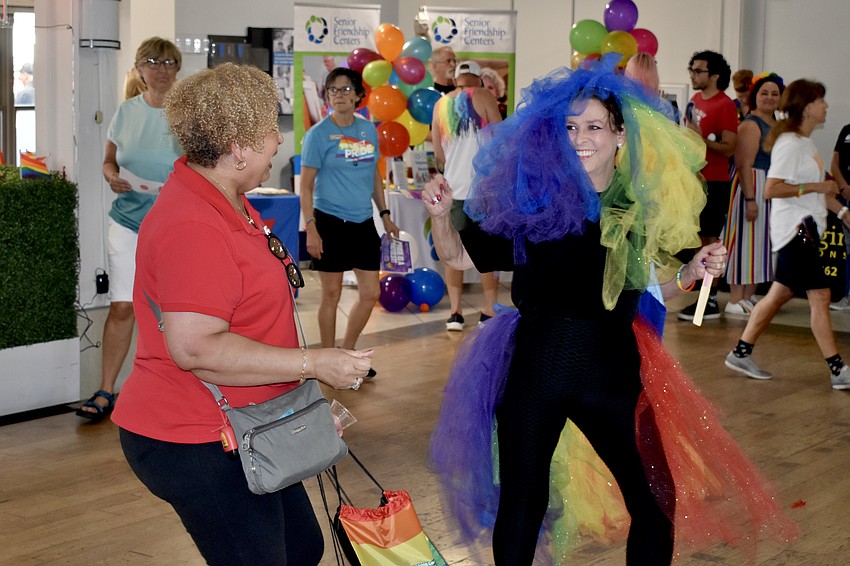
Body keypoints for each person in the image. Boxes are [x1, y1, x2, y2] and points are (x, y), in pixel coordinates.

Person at [426, 55, 796, 565]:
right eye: (571, 126)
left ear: (619, 135)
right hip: (536, 371)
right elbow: (458, 256)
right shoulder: (532, 202)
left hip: (612, 375)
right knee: (522, 503)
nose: (580, 138)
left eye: (594, 126)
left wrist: (697, 267)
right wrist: (442, 218)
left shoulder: (637, 207)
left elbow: (667, 280)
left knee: (655, 500)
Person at [111, 63, 373, 565]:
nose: (277, 141)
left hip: (247, 423)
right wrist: (314, 362)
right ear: (236, 148)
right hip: (192, 436)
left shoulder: (227, 199)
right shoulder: (193, 223)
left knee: (301, 548)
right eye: (269, 131)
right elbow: (196, 347)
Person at [77, 38, 183, 421]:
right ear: (139, 69)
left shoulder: (187, 113)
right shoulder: (126, 112)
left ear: (177, 68)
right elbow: (109, 160)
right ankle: (106, 390)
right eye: (152, 61)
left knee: (174, 311)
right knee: (123, 306)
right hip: (128, 222)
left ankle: (172, 392)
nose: (161, 68)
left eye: (169, 62)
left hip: (175, 227)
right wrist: (111, 176)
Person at [724, 79, 850, 390]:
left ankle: (741, 352)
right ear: (807, 108)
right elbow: (772, 189)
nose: (826, 107)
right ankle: (838, 370)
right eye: (821, 102)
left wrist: (845, 213)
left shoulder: (805, 144)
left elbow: (824, 190)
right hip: (797, 231)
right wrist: (817, 187)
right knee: (820, 297)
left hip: (805, 229)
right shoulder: (791, 144)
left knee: (779, 294)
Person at [300, 68, 400, 350]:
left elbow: (373, 178)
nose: (339, 95)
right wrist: (311, 228)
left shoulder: (367, 129)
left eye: (345, 89)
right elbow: (305, 186)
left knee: (371, 292)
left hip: (363, 222)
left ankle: (347, 351)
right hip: (329, 221)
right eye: (333, 90)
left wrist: (385, 215)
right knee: (331, 294)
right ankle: (328, 358)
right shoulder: (317, 135)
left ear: (358, 95)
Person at [431, 61, 502, 331]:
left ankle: (455, 312)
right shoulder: (482, 96)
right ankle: (488, 310)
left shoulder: (440, 105)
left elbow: (439, 153)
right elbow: (501, 137)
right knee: (488, 250)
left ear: (457, 78)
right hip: (483, 188)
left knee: (453, 252)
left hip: (453, 189)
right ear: (478, 79)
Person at [678, 50, 739, 321]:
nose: (693, 75)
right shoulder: (694, 100)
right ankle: (702, 298)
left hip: (715, 182)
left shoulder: (725, 105)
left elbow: (729, 148)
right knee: (696, 239)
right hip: (694, 181)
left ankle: (710, 301)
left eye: (698, 71)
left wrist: (699, 139)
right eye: (691, 70)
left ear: (714, 75)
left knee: (709, 242)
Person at [723, 73, 785, 315]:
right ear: (754, 96)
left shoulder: (775, 124)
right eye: (764, 93)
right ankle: (735, 299)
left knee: (759, 245)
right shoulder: (751, 124)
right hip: (751, 185)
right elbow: (743, 164)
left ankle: (749, 296)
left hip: (767, 187)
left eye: (774, 93)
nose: (769, 98)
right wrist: (750, 199)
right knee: (743, 243)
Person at [828, 122, 850, 310]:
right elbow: (834, 161)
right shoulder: (847, 129)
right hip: (846, 196)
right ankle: (848, 297)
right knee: (849, 248)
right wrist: (843, 186)